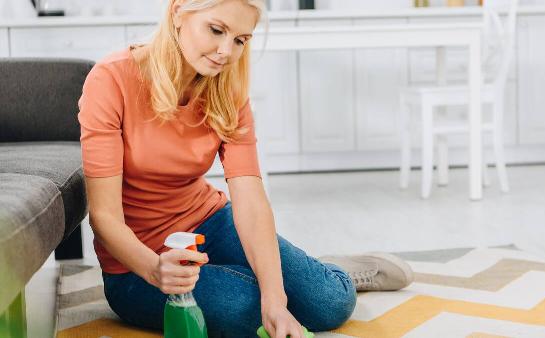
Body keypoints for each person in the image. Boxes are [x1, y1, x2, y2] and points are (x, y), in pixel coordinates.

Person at [78, 0, 414, 336]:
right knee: (241, 308)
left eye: (240, 40)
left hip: (207, 220)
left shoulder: (227, 89)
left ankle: (322, 274)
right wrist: (154, 270)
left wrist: (276, 296)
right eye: (216, 30)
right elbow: (104, 218)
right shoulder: (111, 79)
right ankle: (302, 275)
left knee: (329, 303)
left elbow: (250, 199)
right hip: (136, 266)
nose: (226, 51)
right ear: (178, 12)